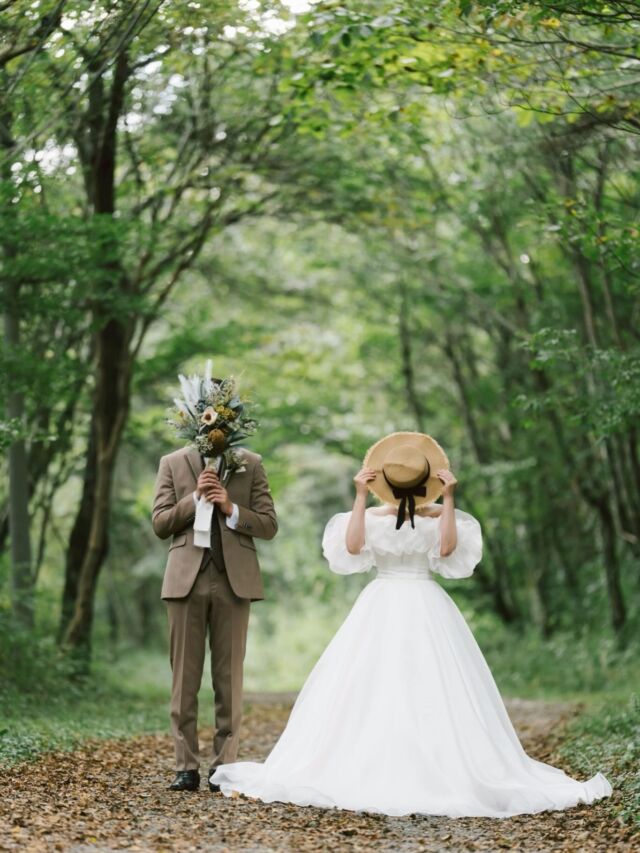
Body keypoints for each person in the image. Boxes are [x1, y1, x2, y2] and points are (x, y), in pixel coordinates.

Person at [210, 432, 611, 817]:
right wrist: (360, 495)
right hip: (384, 600)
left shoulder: (438, 517)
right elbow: (352, 548)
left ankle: (432, 761)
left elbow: (447, 549)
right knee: (372, 682)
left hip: (421, 599)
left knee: (430, 682)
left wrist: (449, 500)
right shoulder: (372, 515)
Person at [152, 372, 277, 792]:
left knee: (229, 680)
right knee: (183, 680)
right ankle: (184, 766)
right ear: (193, 416)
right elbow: (160, 523)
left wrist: (229, 506)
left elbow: (269, 525)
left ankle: (224, 768)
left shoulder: (252, 464)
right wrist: (193, 500)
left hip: (233, 581)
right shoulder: (172, 463)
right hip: (185, 579)